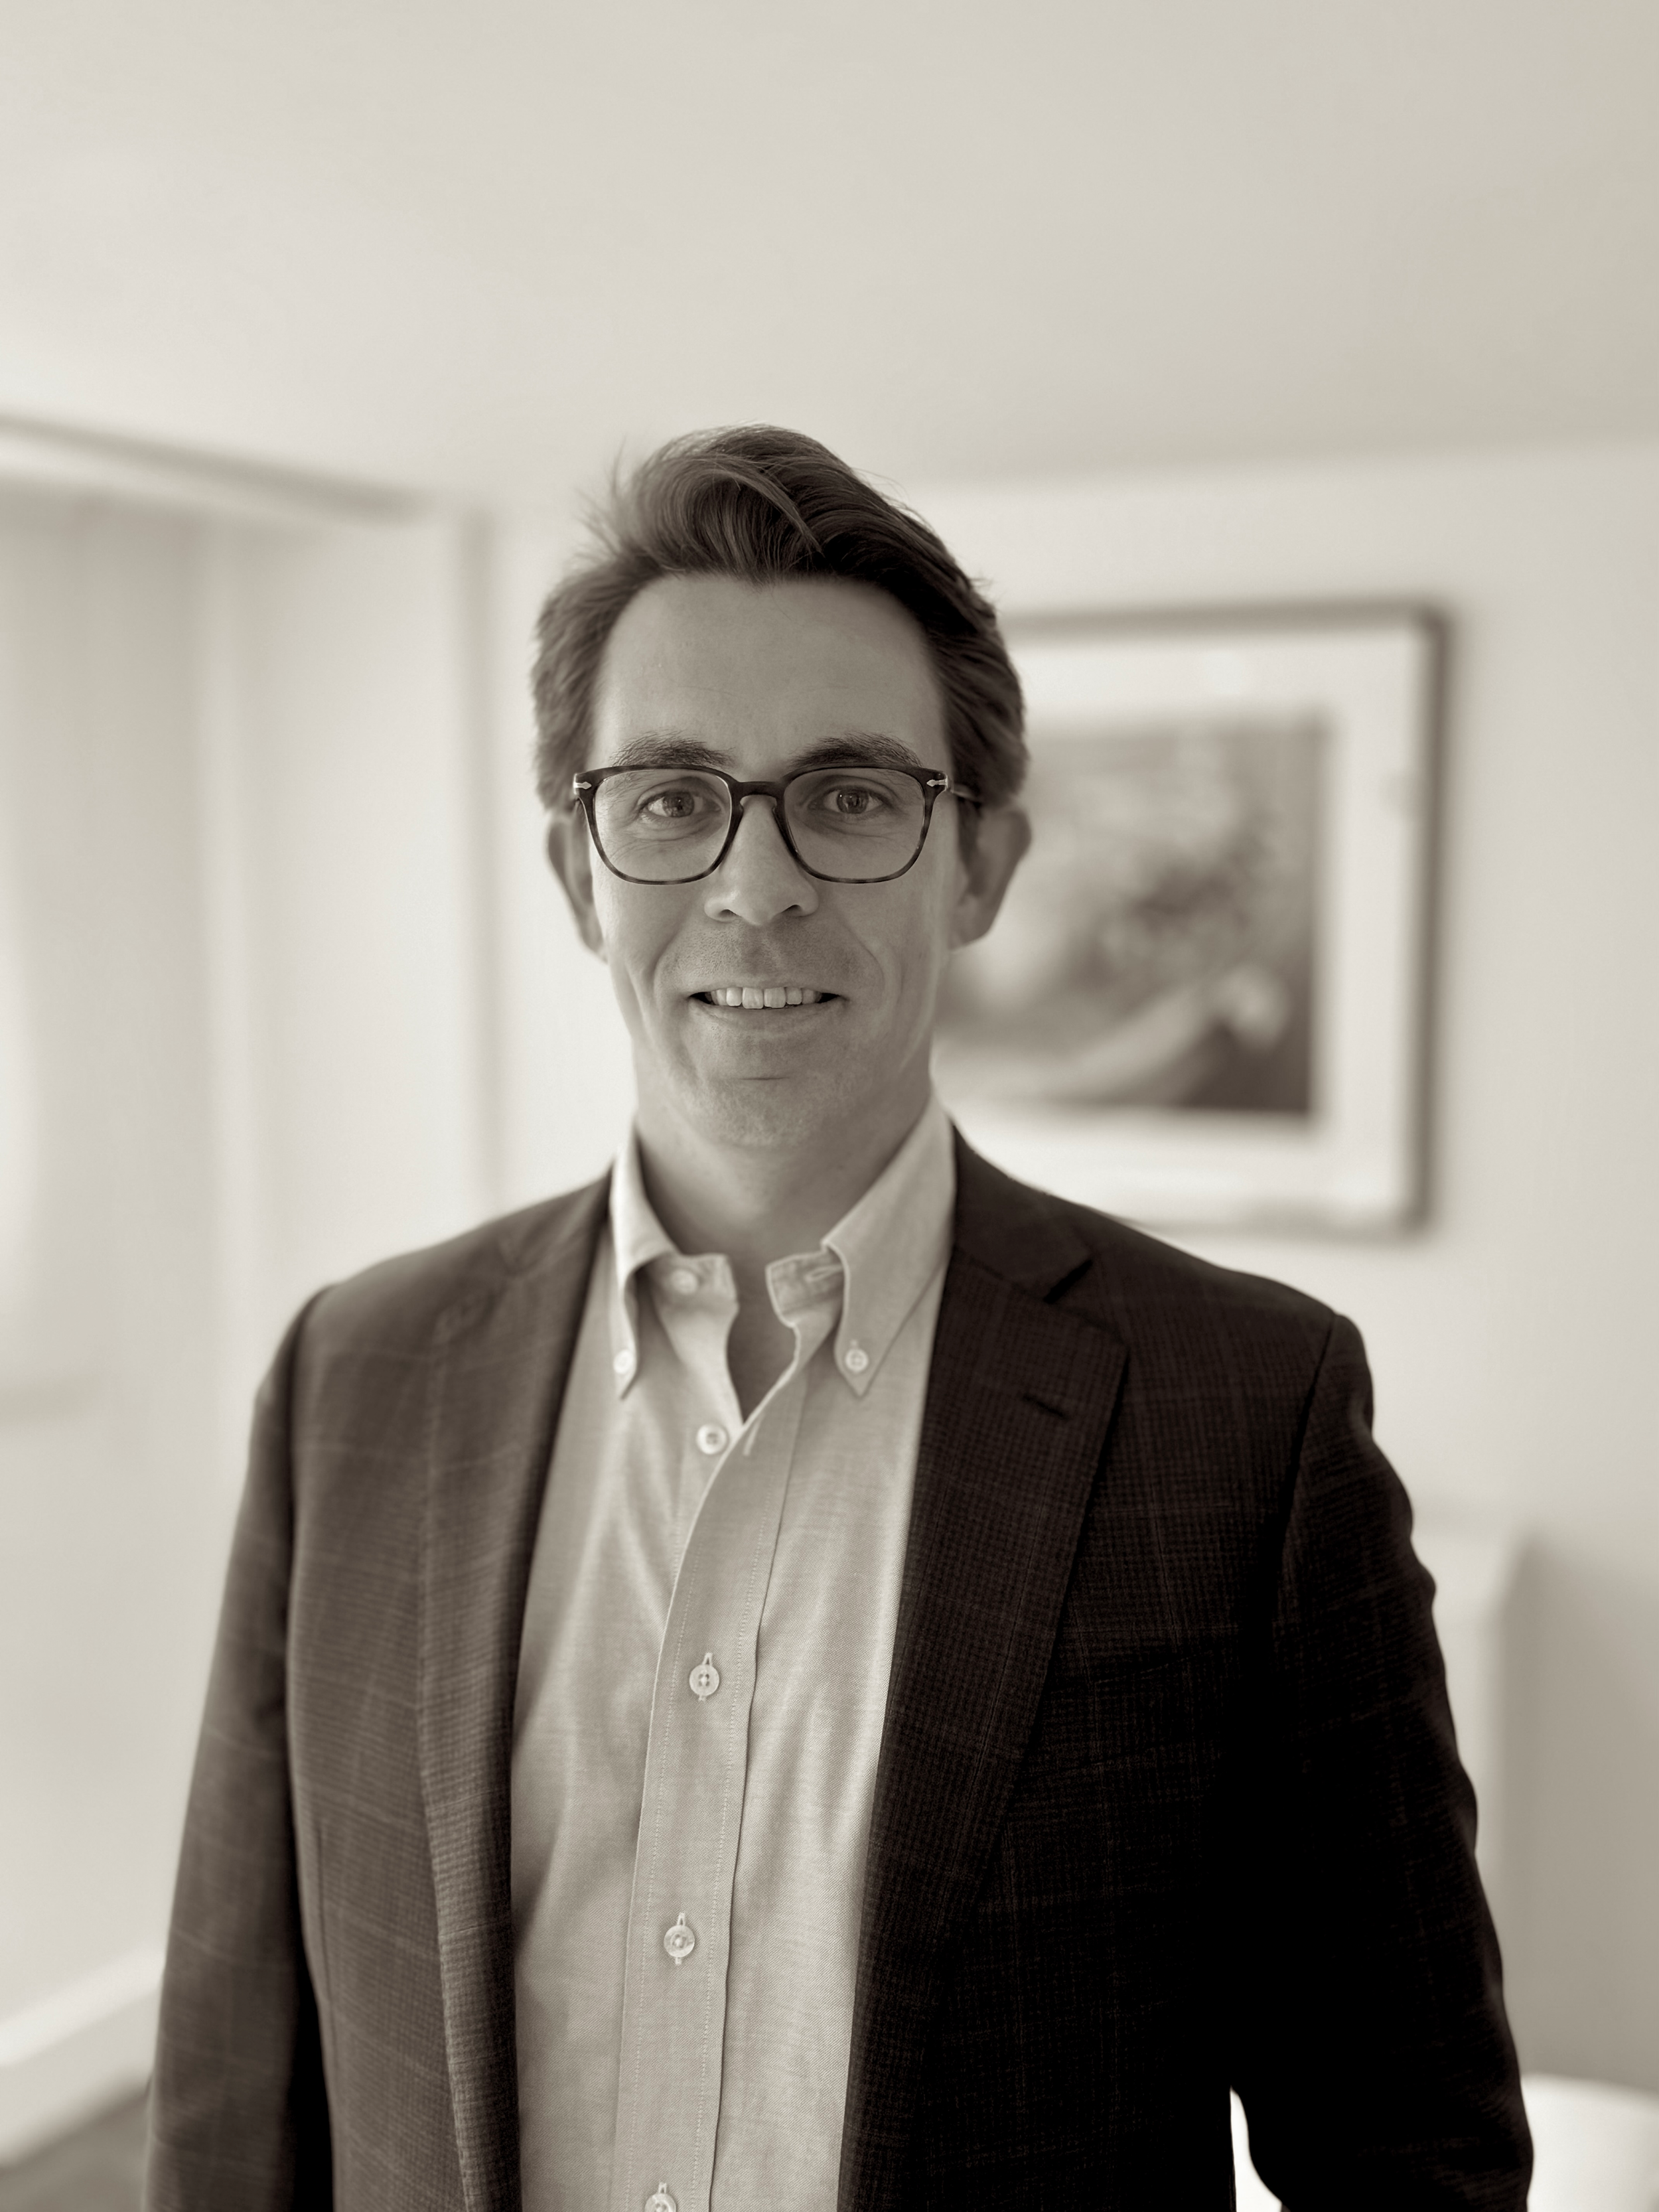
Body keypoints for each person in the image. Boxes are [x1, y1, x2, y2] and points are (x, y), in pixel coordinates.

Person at [145, 426, 1530, 2211]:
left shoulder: (1242, 1415)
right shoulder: (357, 1379)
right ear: (578, 872)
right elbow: (235, 2099)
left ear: (982, 866)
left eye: (853, 795)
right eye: (670, 797)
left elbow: (1408, 2143)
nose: (756, 884)